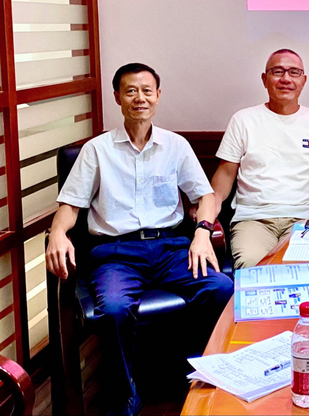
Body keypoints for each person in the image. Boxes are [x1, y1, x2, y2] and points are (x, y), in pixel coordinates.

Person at [45, 63, 233, 416]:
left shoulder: (175, 145)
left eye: (147, 90)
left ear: (158, 96)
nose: (140, 98)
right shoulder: (97, 150)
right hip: (117, 252)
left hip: (170, 247)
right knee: (114, 309)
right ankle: (124, 393)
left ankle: (203, 374)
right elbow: (70, 205)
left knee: (221, 288)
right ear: (118, 97)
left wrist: (202, 233)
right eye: (131, 91)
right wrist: (57, 232)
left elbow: (205, 196)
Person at [211, 49, 309, 269]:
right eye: (278, 72)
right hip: (254, 219)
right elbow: (225, 175)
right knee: (252, 266)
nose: (286, 79)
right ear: (264, 79)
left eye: (294, 72)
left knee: (306, 267)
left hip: (305, 218)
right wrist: (208, 208)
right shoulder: (243, 120)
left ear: (303, 80)